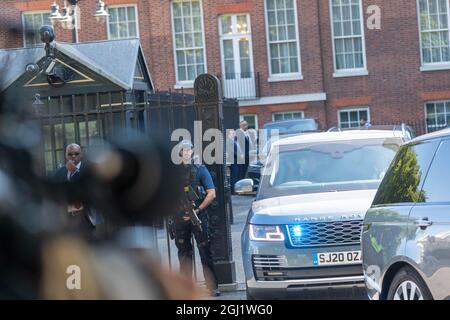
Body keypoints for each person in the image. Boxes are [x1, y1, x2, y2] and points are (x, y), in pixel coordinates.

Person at [171, 139, 220, 297]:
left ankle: (212, 287)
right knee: (184, 255)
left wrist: (198, 210)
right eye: (183, 150)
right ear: (179, 153)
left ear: (192, 151)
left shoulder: (200, 169)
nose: (186, 152)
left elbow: (211, 193)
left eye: (188, 150)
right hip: (179, 218)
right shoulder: (174, 171)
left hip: (198, 216)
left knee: (205, 252)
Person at [53, 143, 103, 239]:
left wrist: (75, 171)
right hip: (66, 219)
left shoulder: (89, 170)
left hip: (86, 218)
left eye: (76, 154)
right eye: (70, 154)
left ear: (81, 155)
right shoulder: (59, 172)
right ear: (65, 155)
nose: (73, 157)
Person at [226, 129, 242, 194]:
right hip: (233, 161)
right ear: (229, 134)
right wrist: (239, 156)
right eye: (232, 133)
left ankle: (235, 189)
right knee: (234, 176)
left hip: (236, 161)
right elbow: (232, 152)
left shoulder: (234, 141)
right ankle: (233, 190)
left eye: (234, 133)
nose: (234, 135)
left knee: (236, 175)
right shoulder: (228, 141)